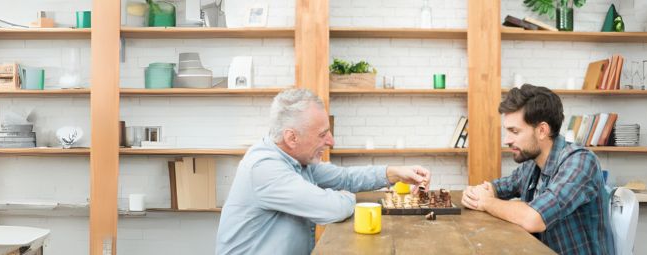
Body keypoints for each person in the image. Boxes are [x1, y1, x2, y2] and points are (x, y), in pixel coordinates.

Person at [216, 88, 432, 255]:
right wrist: (346, 197)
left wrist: (395, 172)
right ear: (292, 137)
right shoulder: (264, 168)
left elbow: (345, 178)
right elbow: (331, 209)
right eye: (322, 134)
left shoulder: (297, 160)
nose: (331, 141)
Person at [461, 84, 615, 255]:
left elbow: (534, 218)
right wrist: (477, 193)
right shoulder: (532, 163)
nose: (506, 140)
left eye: (514, 131)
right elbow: (497, 187)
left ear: (542, 130)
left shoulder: (580, 161)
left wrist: (485, 202)